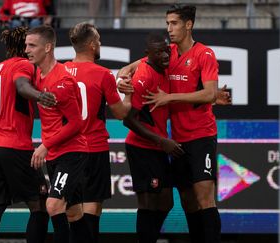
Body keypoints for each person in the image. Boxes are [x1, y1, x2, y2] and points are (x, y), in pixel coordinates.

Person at [117, 4, 225, 243]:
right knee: (187, 199)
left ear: (189, 24)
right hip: (178, 138)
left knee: (205, 196)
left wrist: (169, 97)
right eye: (167, 23)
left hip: (202, 135)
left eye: (174, 23)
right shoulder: (168, 53)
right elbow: (130, 67)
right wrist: (121, 78)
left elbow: (209, 94)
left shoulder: (204, 54)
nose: (169, 28)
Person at [0, 26, 56, 243]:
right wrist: (40, 96)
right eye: (28, 45)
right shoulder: (23, 65)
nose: (30, 50)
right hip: (16, 148)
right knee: (40, 205)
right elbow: (21, 86)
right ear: (23, 47)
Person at [63, 22, 131, 243]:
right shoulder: (103, 74)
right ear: (92, 45)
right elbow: (121, 114)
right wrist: (129, 95)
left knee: (72, 212)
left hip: (66, 150)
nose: (100, 44)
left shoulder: (59, 71)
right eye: (99, 40)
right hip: (94, 148)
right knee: (91, 209)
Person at [25, 25, 88, 243]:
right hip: (55, 155)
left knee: (53, 205)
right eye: (26, 45)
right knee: (73, 213)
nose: (27, 50)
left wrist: (45, 145)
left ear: (48, 47)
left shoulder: (61, 81)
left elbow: (76, 124)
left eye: (32, 45)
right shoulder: (38, 76)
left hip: (71, 153)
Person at [122, 32, 184, 243]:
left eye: (167, 50)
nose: (166, 55)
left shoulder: (163, 66)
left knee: (166, 202)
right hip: (141, 147)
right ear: (148, 55)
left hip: (156, 146)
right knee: (148, 203)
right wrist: (161, 141)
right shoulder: (143, 77)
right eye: (160, 52)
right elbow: (128, 120)